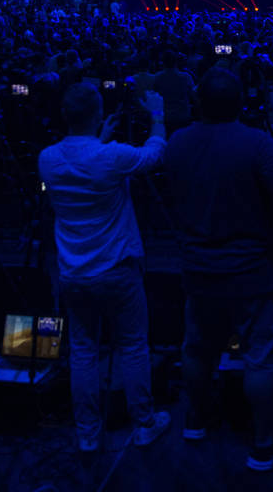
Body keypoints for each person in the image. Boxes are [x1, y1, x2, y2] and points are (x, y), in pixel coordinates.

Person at [163, 69, 273, 472]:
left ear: (198, 103)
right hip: (253, 272)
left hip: (197, 268)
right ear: (242, 103)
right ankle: (263, 446)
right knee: (261, 358)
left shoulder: (177, 142)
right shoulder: (257, 143)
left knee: (197, 349)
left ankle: (195, 422)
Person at [38, 83, 172, 452]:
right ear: (97, 115)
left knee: (82, 351)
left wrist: (98, 138)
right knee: (132, 346)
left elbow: (78, 166)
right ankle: (144, 423)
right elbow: (155, 155)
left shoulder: (46, 158)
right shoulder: (110, 157)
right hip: (117, 268)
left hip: (73, 273)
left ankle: (87, 435)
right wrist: (158, 115)